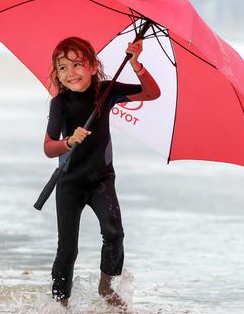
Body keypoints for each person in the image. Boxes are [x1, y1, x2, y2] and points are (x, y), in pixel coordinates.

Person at [44, 36, 160, 309]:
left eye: (77, 64)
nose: (70, 73)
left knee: (114, 232)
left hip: (101, 180)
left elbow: (151, 93)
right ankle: (60, 304)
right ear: (57, 75)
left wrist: (136, 63)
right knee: (67, 248)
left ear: (94, 66)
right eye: (62, 68)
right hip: (69, 182)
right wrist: (69, 141)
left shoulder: (105, 92)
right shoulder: (59, 104)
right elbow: (49, 148)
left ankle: (106, 287)